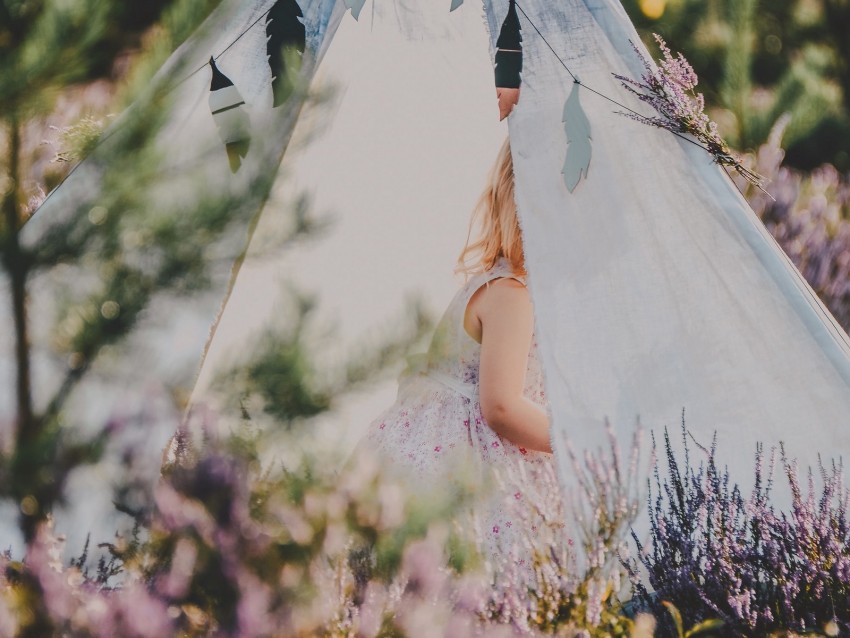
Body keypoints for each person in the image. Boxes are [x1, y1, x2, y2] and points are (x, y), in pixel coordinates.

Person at [356, 137, 558, 567]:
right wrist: (578, 440)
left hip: (411, 452)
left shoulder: (491, 282)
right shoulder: (512, 294)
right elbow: (502, 407)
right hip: (457, 470)